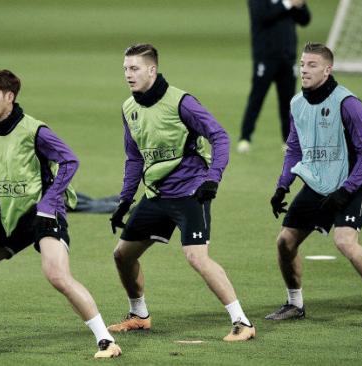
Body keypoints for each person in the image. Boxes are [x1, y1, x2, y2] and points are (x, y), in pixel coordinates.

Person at [0, 69, 122, 358]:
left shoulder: (34, 130)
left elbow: (70, 161)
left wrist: (49, 203)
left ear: (9, 97)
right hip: (11, 216)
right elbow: (15, 174)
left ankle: (107, 341)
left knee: (57, 275)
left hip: (44, 214)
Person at [108, 43, 255, 341]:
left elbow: (219, 136)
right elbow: (134, 157)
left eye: (134, 68)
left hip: (191, 191)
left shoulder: (181, 102)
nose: (128, 74)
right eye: (125, 68)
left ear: (152, 69)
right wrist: (125, 199)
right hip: (156, 194)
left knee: (196, 257)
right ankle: (139, 314)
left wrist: (213, 178)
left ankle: (242, 322)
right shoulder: (129, 108)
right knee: (122, 255)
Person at [266, 43, 362, 328]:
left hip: (356, 180)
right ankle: (294, 304)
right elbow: (294, 148)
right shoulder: (297, 104)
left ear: (328, 70)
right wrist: (282, 187)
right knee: (284, 242)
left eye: (312, 65)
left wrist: (345, 190)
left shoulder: (347, 103)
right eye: (303, 63)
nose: (304, 69)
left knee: (344, 241)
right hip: (320, 180)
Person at [237, 0, 311, 153]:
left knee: (288, 102)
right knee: (256, 99)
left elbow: (305, 20)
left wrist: (300, 5)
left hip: (287, 57)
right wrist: (288, 4)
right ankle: (245, 138)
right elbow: (262, 16)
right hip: (265, 58)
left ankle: (288, 141)